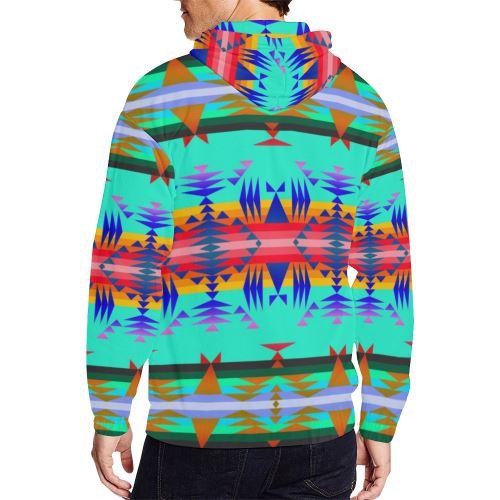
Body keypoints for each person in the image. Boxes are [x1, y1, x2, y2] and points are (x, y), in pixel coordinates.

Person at [86, 1, 414, 498]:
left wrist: (111, 409)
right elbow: (386, 275)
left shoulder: (161, 97)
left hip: (196, 433)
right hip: (321, 434)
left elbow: (128, 266)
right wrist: (380, 417)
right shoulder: (360, 103)